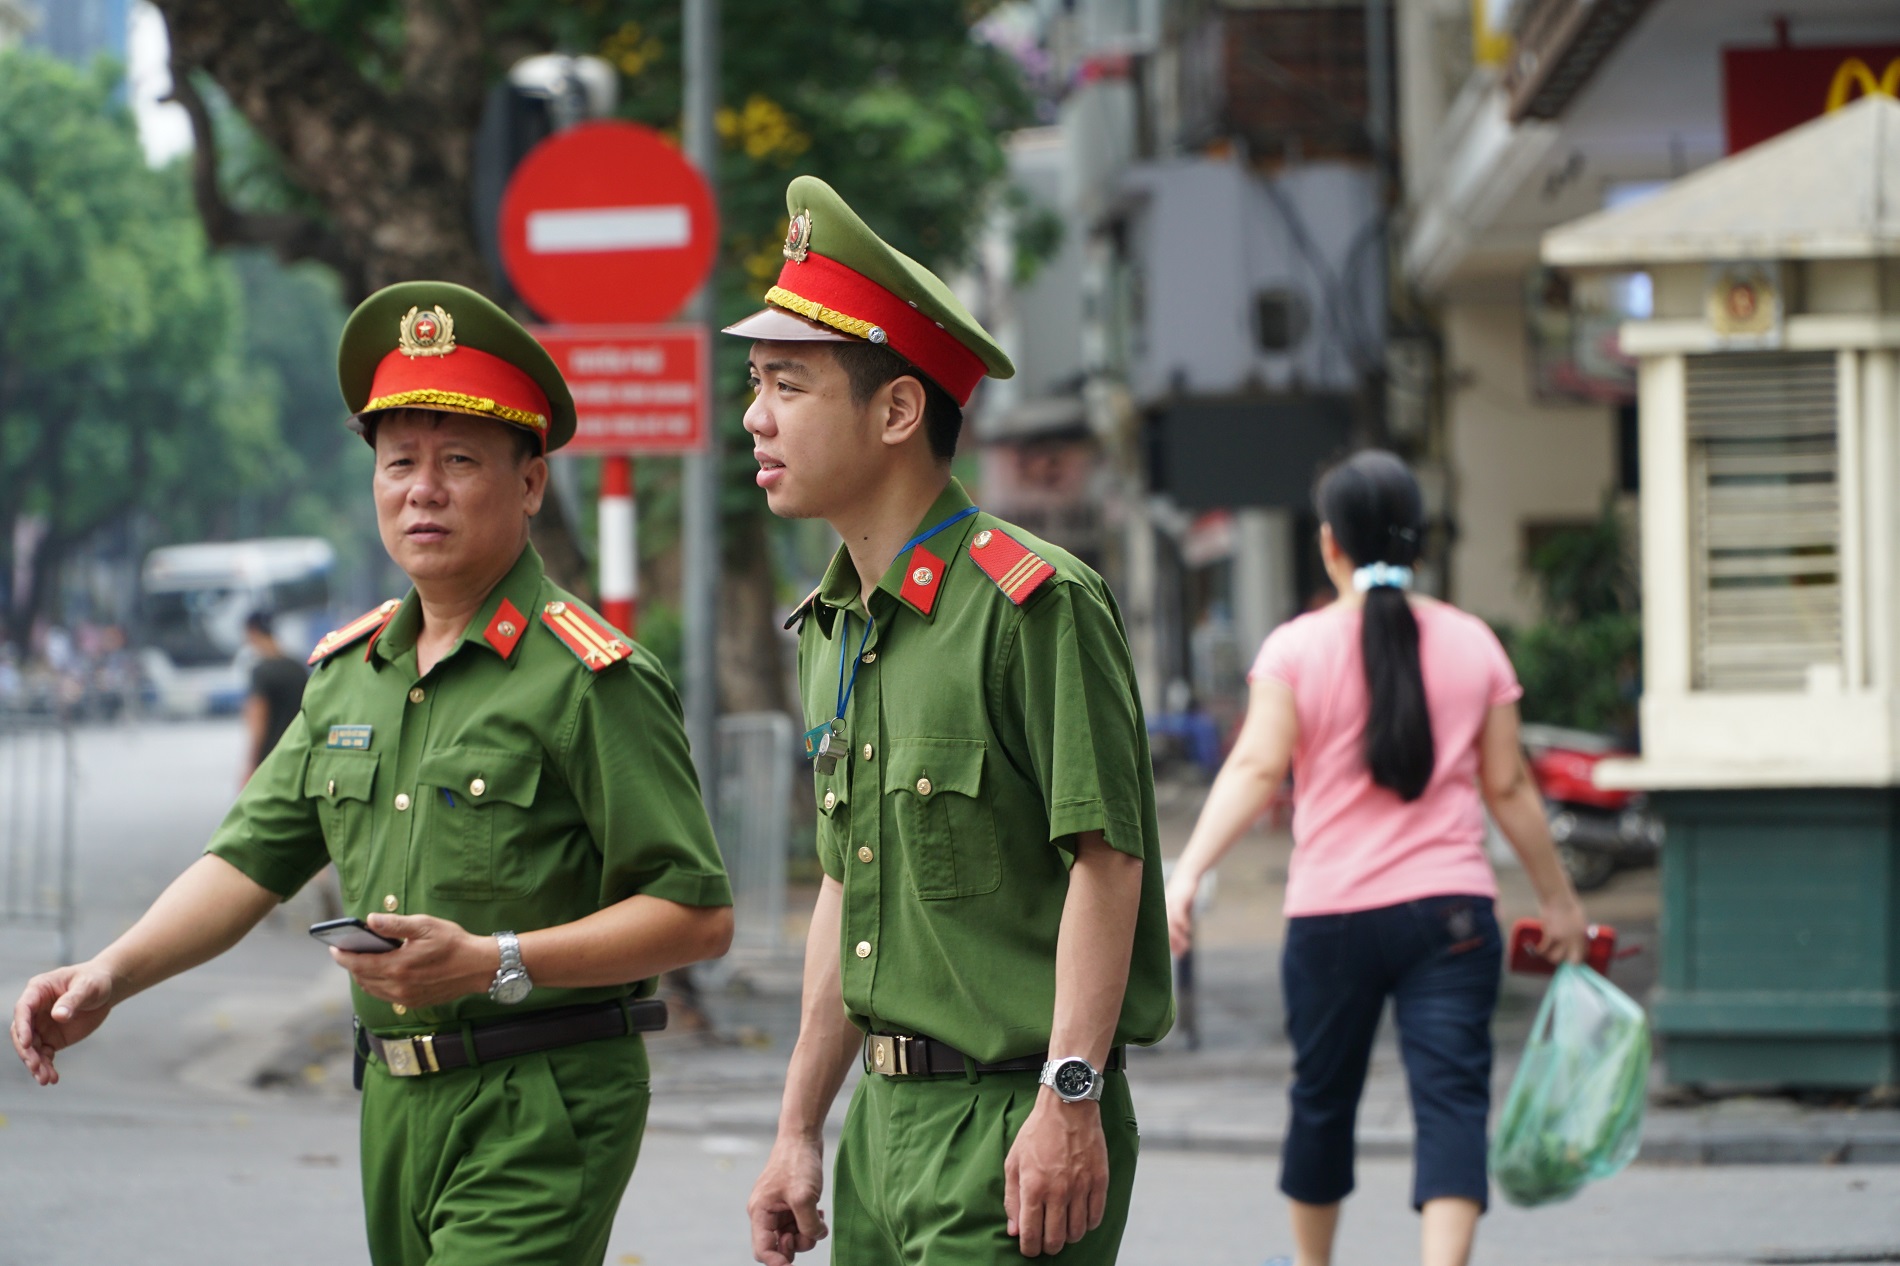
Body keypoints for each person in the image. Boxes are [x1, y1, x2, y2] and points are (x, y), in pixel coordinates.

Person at [11, 281, 735, 1266]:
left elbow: (695, 913)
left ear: (529, 483)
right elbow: (247, 861)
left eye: (460, 461)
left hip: (545, 1098)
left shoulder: (589, 678)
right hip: (395, 1096)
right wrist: (108, 974)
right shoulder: (348, 675)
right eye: (399, 462)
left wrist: (493, 960)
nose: (422, 490)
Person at [737, 176, 1174, 1266]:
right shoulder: (833, 624)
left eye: (788, 385)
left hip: (1013, 1123)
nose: (754, 416)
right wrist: (799, 1130)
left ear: (895, 411)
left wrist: (1068, 1097)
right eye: (755, 383)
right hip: (881, 1136)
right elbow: (848, 885)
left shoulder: (1035, 603)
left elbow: (1106, 861)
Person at [1164, 450, 1590, 1266]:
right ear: (1422, 545)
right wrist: (1559, 901)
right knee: (1452, 1103)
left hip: (1330, 918)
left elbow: (1256, 768)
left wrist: (1189, 874)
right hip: (1453, 915)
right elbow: (1509, 789)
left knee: (1322, 1102)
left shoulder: (1296, 649)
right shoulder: (1474, 644)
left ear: (1330, 545)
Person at [241, 610, 308, 780]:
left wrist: (250, 765)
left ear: (253, 632)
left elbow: (258, 721)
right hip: (298, 758)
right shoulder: (298, 668)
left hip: (269, 763)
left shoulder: (261, 673)